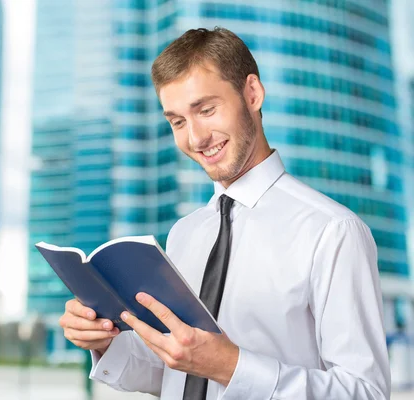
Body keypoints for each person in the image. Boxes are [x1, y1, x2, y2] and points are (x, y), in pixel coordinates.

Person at [57, 27, 390, 399]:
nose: (196, 138)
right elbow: (175, 376)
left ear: (252, 94)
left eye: (206, 110)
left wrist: (230, 367)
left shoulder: (332, 230)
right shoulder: (185, 233)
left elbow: (365, 393)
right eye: (178, 121)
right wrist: (103, 341)